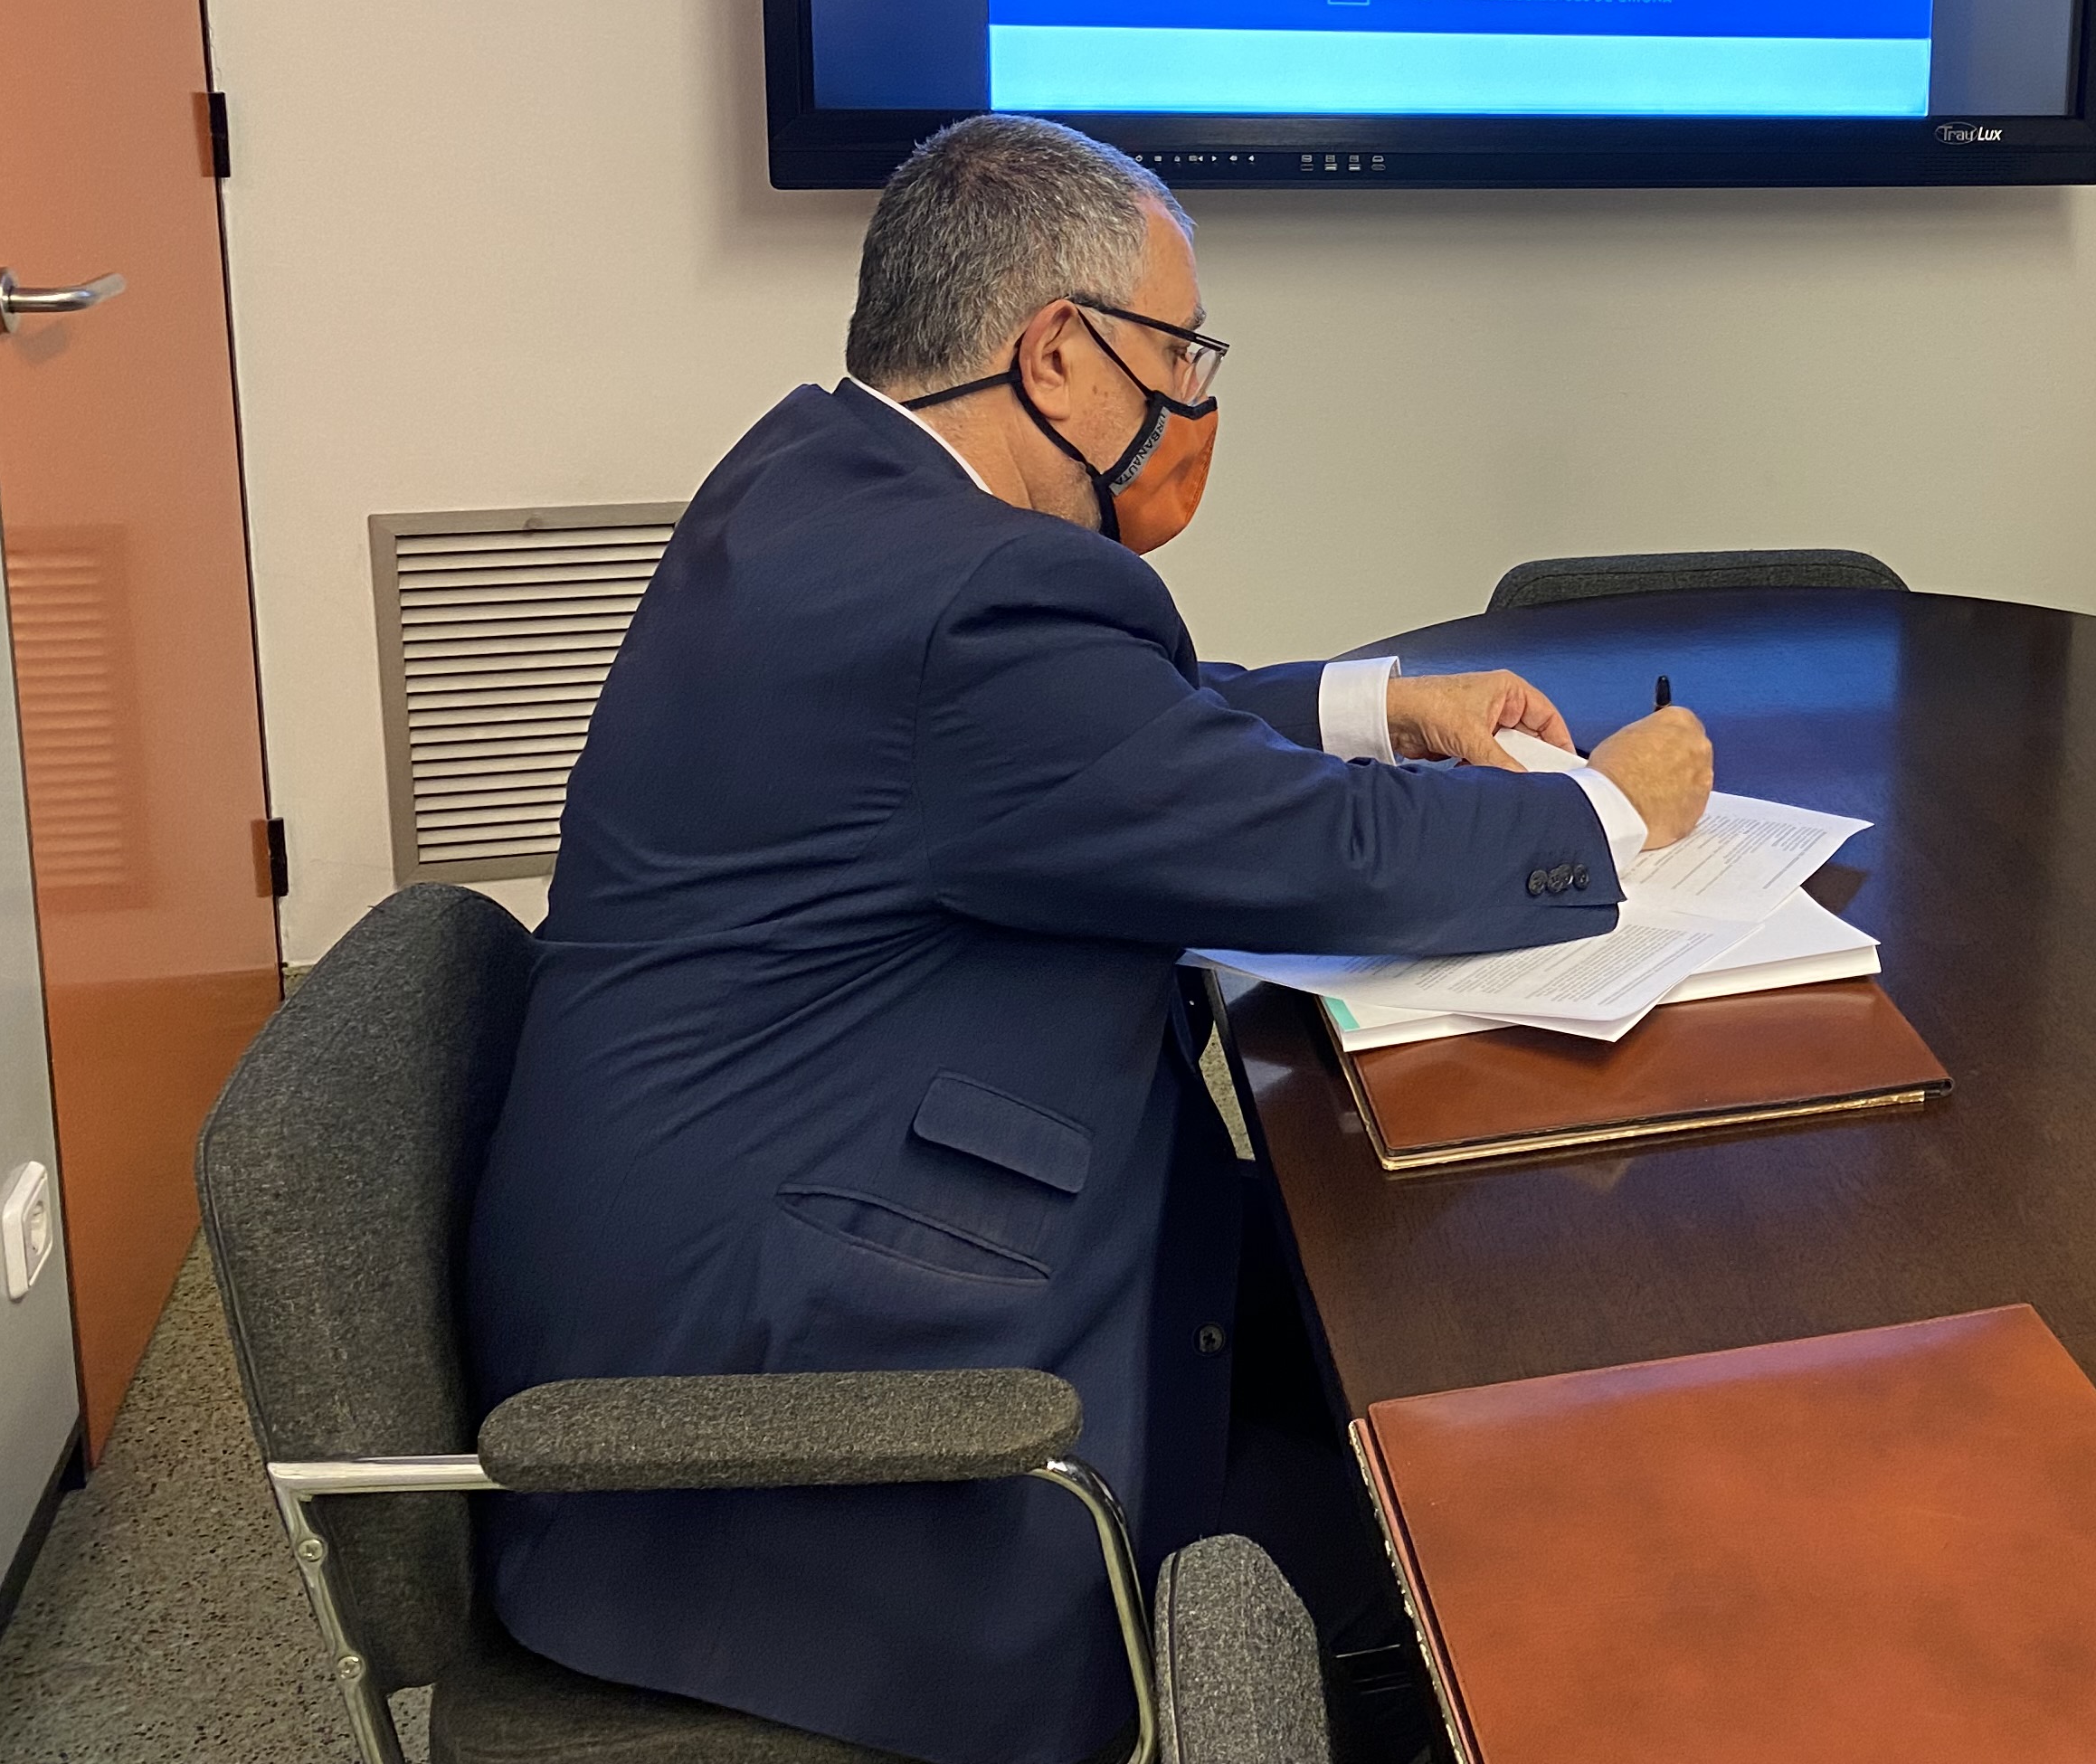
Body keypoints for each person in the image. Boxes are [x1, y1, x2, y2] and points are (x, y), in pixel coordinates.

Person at [462, 115, 1712, 1764]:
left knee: (1422, 1321)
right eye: (1179, 352)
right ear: (1057, 354)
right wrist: (1610, 812)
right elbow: (1313, 853)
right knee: (1475, 1544)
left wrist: (1375, 706)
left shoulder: (819, 482)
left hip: (752, 1245)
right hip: (809, 1448)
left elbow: (1101, 731)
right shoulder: (971, 602)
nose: (1194, 396)